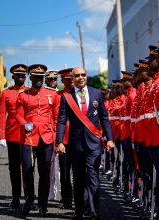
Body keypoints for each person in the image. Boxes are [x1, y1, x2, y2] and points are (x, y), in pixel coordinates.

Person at [56, 66, 114, 220]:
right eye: (77, 76)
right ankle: (79, 211)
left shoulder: (96, 93)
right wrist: (59, 142)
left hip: (94, 143)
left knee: (93, 176)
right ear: (72, 79)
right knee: (78, 177)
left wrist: (110, 139)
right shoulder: (66, 97)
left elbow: (104, 118)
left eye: (83, 75)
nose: (81, 77)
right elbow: (61, 121)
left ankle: (94, 211)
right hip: (75, 144)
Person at [16, 64, 59, 216]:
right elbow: (18, 114)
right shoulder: (23, 94)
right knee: (27, 169)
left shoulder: (52, 94)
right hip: (28, 136)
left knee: (44, 171)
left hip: (46, 136)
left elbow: (56, 117)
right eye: (36, 77)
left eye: (41, 77)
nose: (39, 80)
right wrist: (24, 124)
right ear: (31, 78)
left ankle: (43, 203)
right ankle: (29, 197)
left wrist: (55, 136)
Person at [0, 64, 28, 208]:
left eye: (23, 75)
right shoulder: (6, 93)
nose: (21, 77)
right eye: (18, 74)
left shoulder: (31, 91)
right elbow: (2, 115)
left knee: (28, 167)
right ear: (13, 76)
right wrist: (1, 136)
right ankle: (15, 197)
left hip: (28, 135)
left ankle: (29, 197)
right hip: (12, 135)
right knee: (14, 168)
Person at [56, 68, 74, 209]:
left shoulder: (82, 94)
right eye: (67, 79)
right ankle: (67, 199)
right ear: (62, 80)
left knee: (82, 172)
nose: (71, 81)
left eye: (72, 78)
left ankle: (83, 200)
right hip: (64, 140)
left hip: (80, 139)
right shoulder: (57, 96)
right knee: (65, 172)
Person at [44, 70, 60, 202]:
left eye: (55, 79)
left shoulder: (61, 95)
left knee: (62, 167)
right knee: (49, 166)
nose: (53, 81)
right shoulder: (44, 94)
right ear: (46, 81)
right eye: (50, 80)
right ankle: (51, 191)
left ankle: (62, 192)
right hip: (48, 133)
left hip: (61, 133)